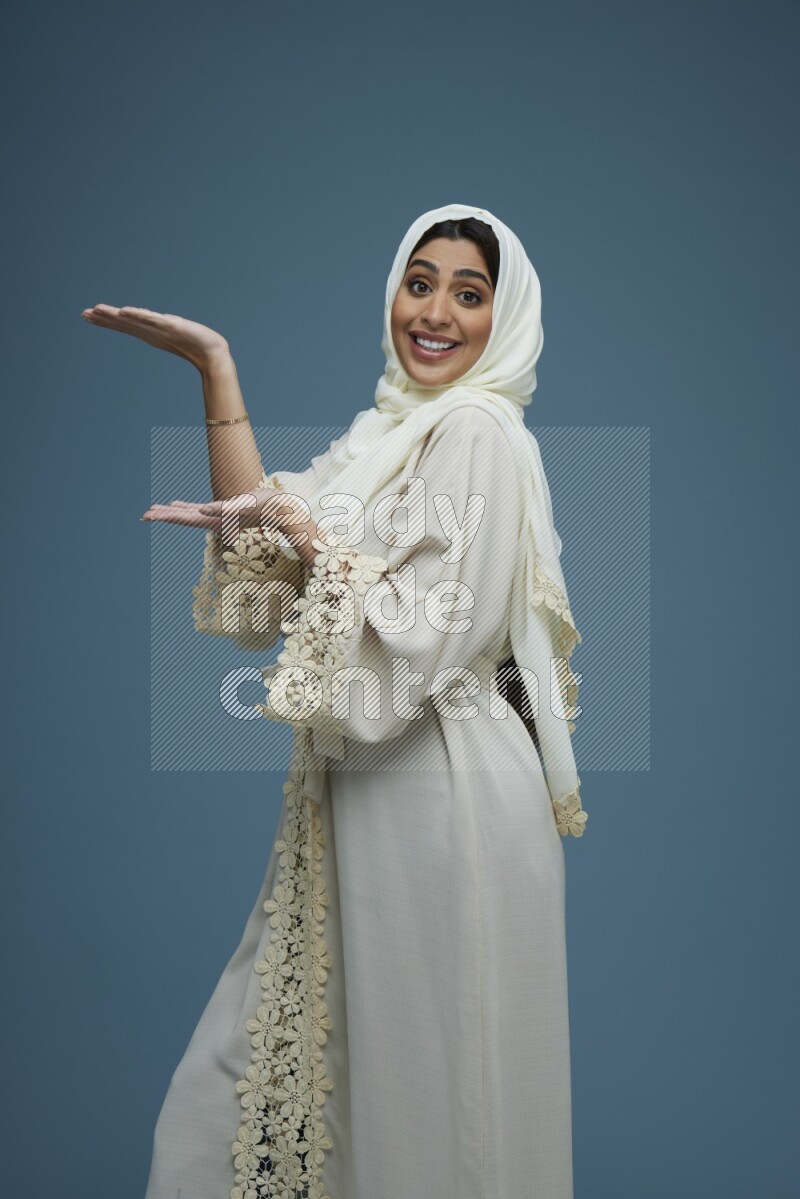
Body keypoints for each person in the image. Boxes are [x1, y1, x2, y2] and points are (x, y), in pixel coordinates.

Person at [82, 202, 587, 1199]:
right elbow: (267, 573)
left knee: (430, 1095)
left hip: (444, 799)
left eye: (468, 292)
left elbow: (420, 630)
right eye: (419, 280)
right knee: (290, 1088)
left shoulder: (479, 435)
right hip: (363, 796)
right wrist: (215, 370)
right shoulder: (384, 440)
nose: (434, 310)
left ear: (505, 315)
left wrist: (296, 530)